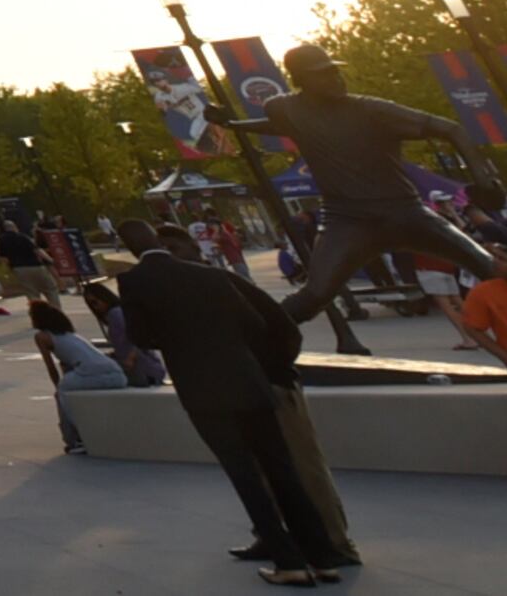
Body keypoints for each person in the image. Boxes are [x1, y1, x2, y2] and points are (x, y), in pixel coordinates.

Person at [116, 223, 353, 584]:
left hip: (203, 390)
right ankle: (323, 558)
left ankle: (288, 561)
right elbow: (256, 322)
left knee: (245, 475)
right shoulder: (211, 277)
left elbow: (143, 336)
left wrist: (180, 336)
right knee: (283, 469)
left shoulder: (135, 282)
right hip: (250, 381)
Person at [260, 45, 501, 325]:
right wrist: (231, 124)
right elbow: (279, 125)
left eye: (335, 71)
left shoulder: (371, 110)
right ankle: (255, 339)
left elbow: (452, 129)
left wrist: (484, 183)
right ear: (301, 80)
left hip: (405, 213)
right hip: (347, 220)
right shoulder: (285, 109)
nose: (335, 79)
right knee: (314, 295)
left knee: (491, 269)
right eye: (323, 75)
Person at [448, 233, 507, 404]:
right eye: (495, 256)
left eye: (503, 259)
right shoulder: (484, 292)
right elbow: (473, 328)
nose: (494, 262)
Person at [32, 299, 135, 451]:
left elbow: (51, 367)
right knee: (69, 386)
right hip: (117, 375)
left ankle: (75, 438)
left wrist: (57, 387)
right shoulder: (71, 335)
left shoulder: (42, 337)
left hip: (91, 372)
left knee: (63, 393)